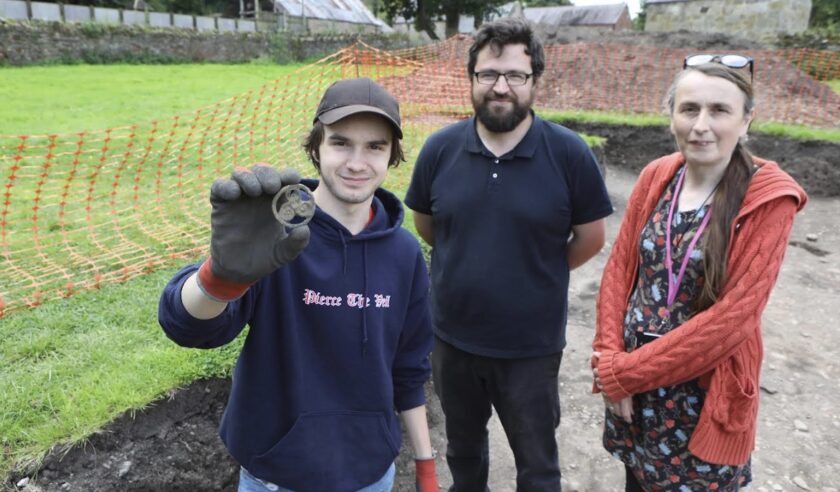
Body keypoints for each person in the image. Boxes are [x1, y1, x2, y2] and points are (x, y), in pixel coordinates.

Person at [158, 77, 439, 492]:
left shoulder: (403, 252)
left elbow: (409, 370)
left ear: (392, 155)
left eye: (375, 146)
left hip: (370, 473)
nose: (357, 163)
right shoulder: (278, 234)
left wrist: (426, 469)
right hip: (276, 473)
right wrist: (220, 277)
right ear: (316, 147)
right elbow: (189, 325)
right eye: (341, 142)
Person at [405, 18, 613, 491]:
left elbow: (590, 237)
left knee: (537, 462)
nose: (501, 87)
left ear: (535, 81)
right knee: (463, 452)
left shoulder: (568, 153)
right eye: (489, 74)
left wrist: (533, 269)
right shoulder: (440, 149)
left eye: (515, 75)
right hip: (452, 342)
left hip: (530, 348)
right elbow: (428, 226)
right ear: (473, 79)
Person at [591, 56, 808, 491]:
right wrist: (608, 358)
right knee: (636, 482)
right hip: (634, 392)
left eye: (719, 110)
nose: (701, 125)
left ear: (747, 121)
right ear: (671, 113)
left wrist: (622, 374)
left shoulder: (769, 198)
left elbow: (733, 320)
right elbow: (619, 270)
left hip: (698, 398)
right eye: (689, 108)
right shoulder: (657, 175)